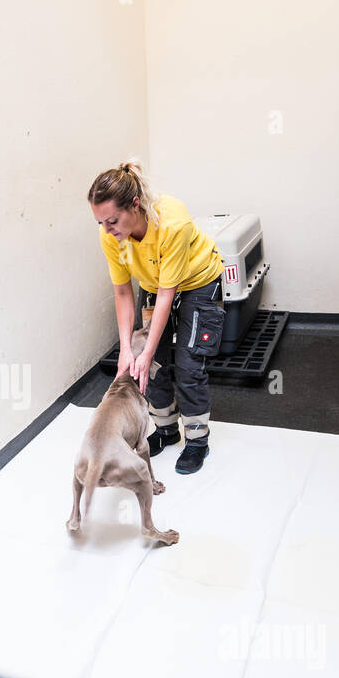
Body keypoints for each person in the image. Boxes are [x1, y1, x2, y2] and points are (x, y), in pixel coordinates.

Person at [88, 160, 225, 474]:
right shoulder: (110, 236)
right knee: (148, 365)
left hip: (198, 281)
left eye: (112, 221)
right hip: (154, 283)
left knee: (188, 364)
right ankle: (165, 428)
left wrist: (147, 350)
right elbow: (123, 292)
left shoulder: (172, 222)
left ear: (135, 205)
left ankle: (197, 440)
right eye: (100, 222)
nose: (107, 230)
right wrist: (127, 349)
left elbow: (168, 292)